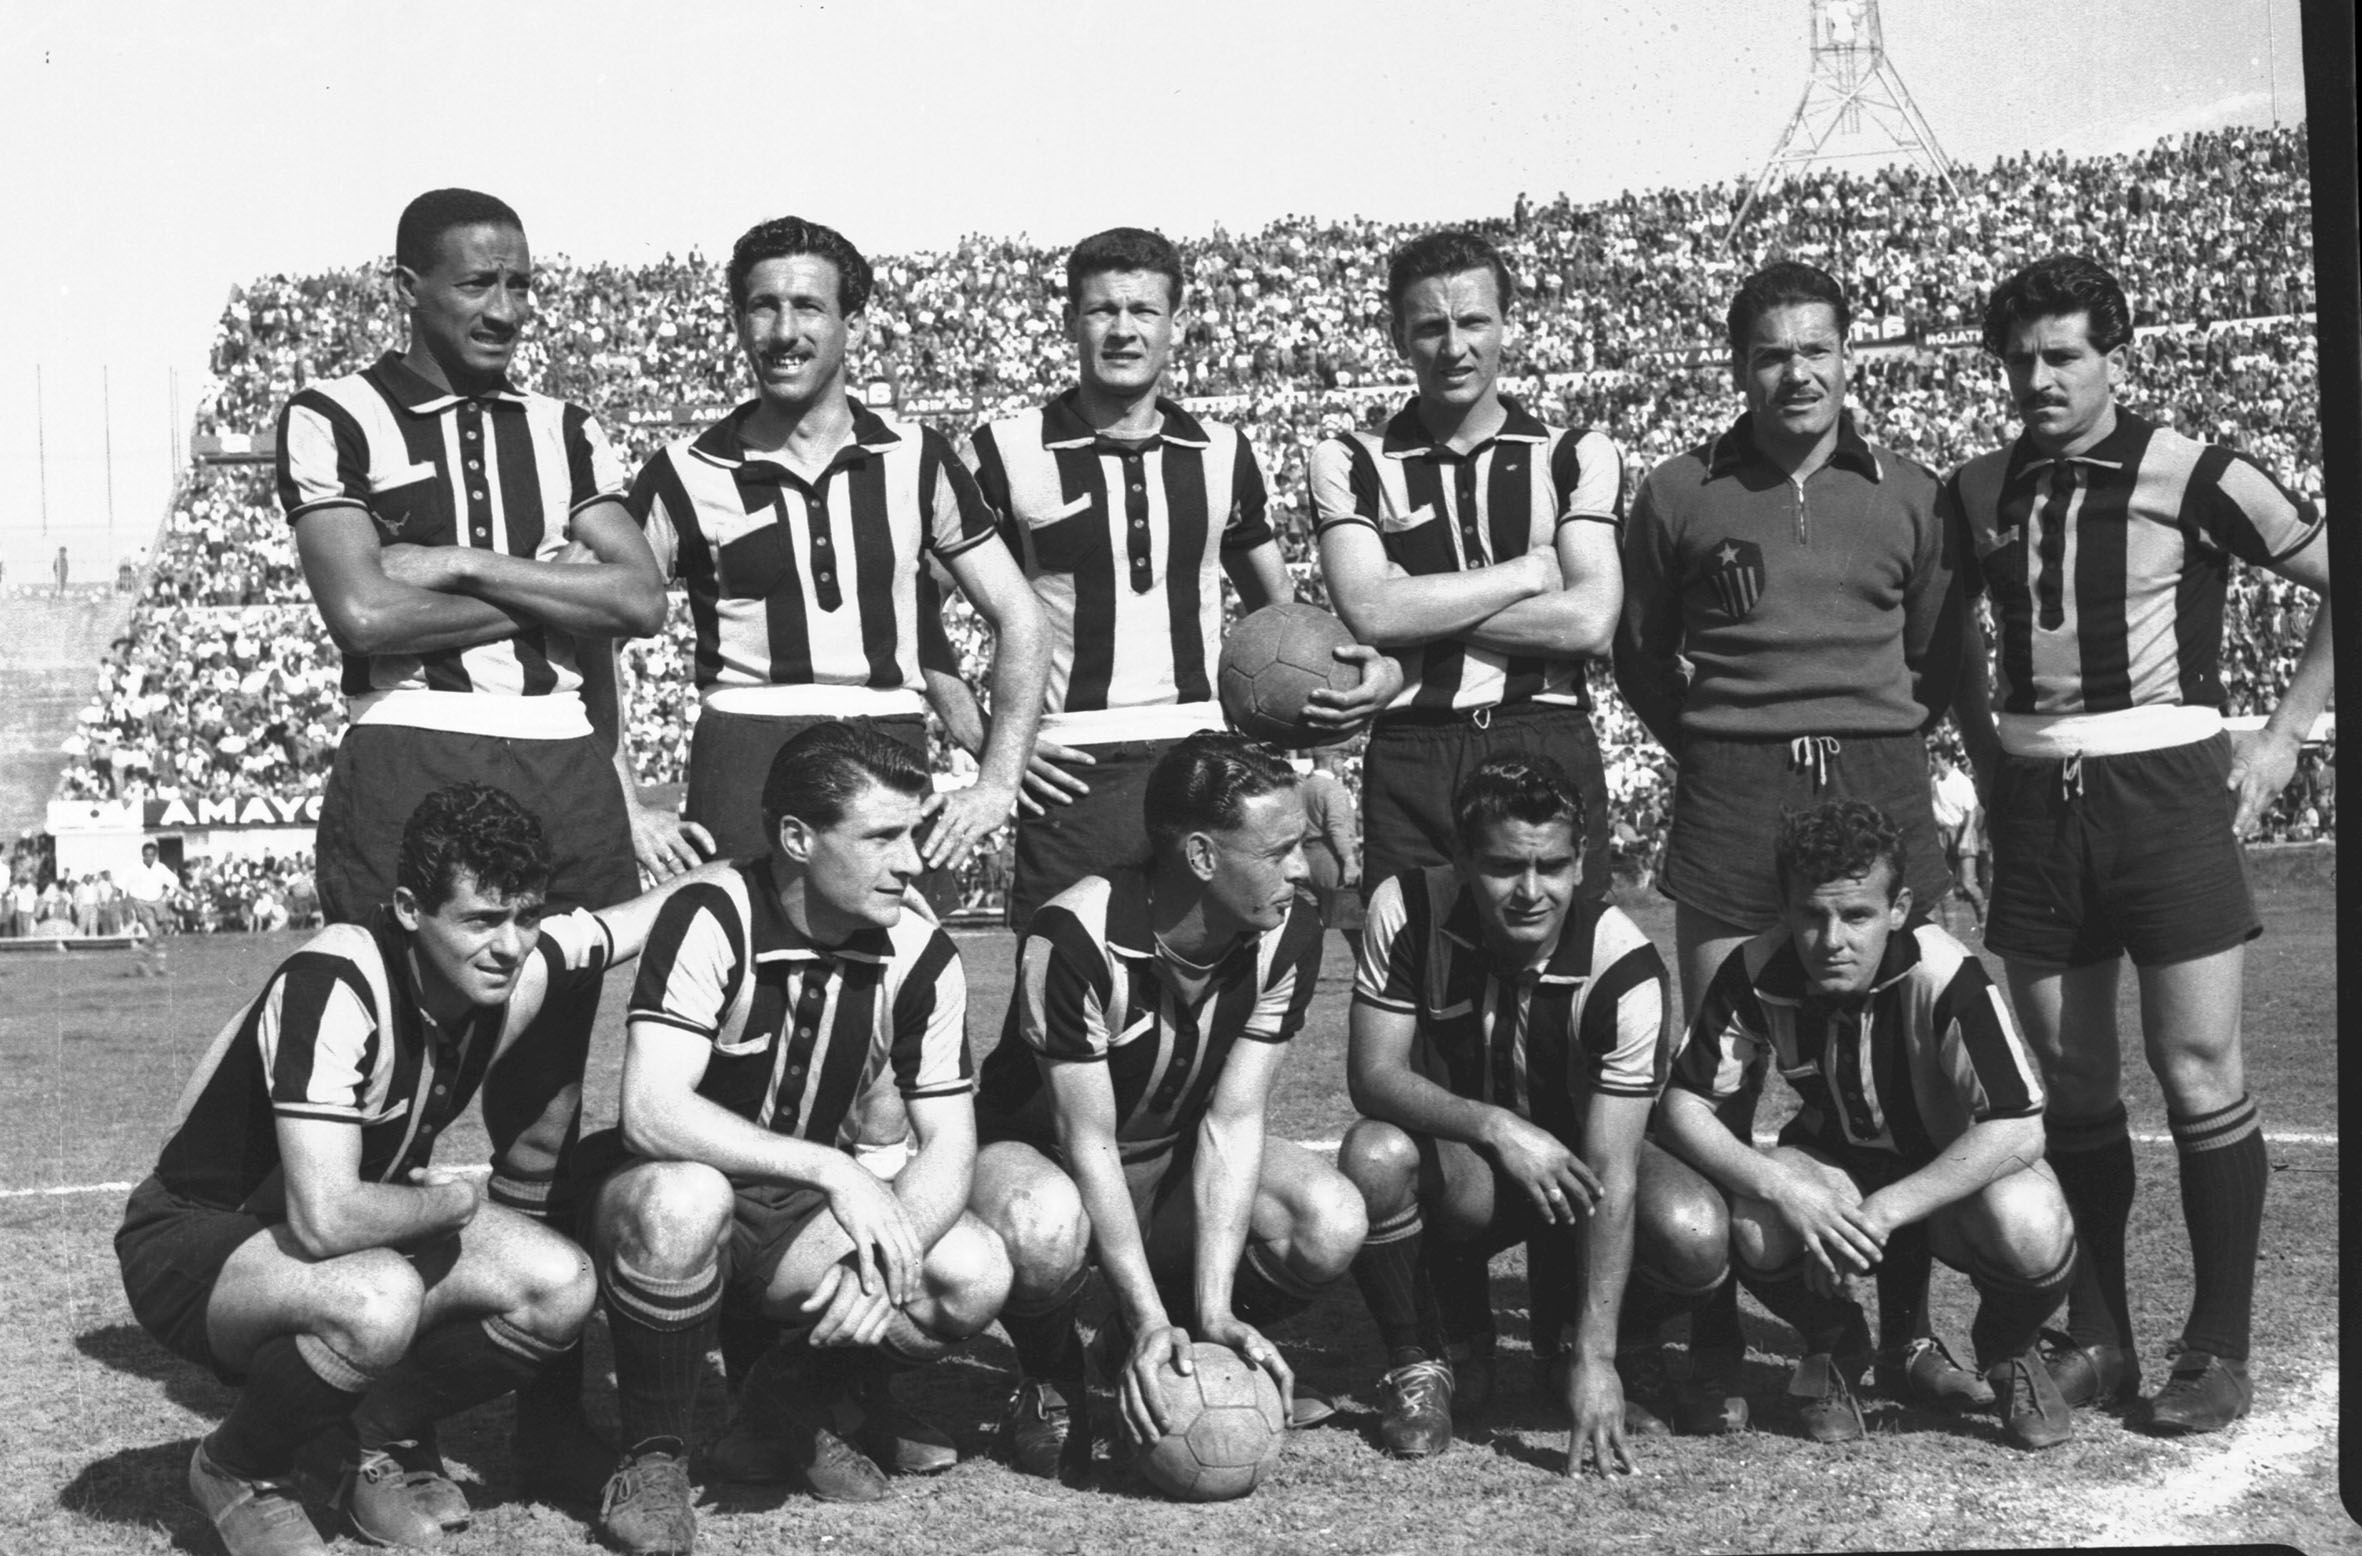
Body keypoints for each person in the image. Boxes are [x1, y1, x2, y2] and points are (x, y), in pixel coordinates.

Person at [277, 187, 671, 1483]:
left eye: (520, 285)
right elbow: (364, 618)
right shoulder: (336, 413)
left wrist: (456, 565)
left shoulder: (567, 428)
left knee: (545, 1109)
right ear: (408, 287)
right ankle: (354, 1386)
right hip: (407, 757)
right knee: (388, 1097)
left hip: (558, 765)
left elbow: (636, 596)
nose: (507, 309)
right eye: (476, 286)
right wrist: (544, 591)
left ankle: (544, 1399)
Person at [112, 784, 727, 1556]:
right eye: (481, 920)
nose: (508, 944)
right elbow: (326, 1217)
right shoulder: (333, 981)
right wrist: (454, 1206)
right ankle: (238, 1466)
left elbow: (622, 926)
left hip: (314, 1239)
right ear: (409, 908)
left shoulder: (511, 965)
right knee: (380, 1296)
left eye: (526, 916)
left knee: (559, 1286)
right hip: (194, 1246)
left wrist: (746, 872)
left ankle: (353, 1434)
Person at [1945, 254, 2332, 1433]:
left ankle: (2215, 1346)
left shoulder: (2196, 470)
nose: (2038, 378)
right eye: (2019, 359)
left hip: (2164, 788)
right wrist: (1981, 763)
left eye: (2062, 354)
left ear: (2114, 353)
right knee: (2070, 1075)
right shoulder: (1974, 488)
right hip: (2032, 796)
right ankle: (2101, 1336)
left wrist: (2278, 738)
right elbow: (1954, 638)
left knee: (2198, 1063)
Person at [1612, 260, 1965, 1425]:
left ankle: (1898, 1330)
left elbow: (1930, 654)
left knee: (1899, 1073)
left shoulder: (1912, 492)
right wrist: (1722, 745)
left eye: (1816, 348)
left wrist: (1853, 731)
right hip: (1732, 789)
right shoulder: (1677, 493)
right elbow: (1640, 653)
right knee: (1715, 1066)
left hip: (1877, 777)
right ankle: (1716, 1335)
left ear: (1846, 355)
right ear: (1738, 366)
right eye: (1771, 353)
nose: (1795, 372)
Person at [583, 723, 1010, 1554]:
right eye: (883, 836)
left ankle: (788, 1399)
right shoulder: (712, 913)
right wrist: (832, 1170)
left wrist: (889, 1263)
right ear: (797, 839)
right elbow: (651, 1111)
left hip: (795, 1222)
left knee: (970, 1270)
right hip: (665, 1199)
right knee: (685, 1194)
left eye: (914, 832)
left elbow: (952, 1145)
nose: (913, 861)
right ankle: (655, 1456)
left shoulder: (921, 955)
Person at [963, 226, 1396, 933]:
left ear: (1177, 326)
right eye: (1103, 310)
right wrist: (993, 740)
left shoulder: (1222, 452)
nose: (1124, 330)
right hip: (1071, 764)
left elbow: (1282, 616)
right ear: (1072, 321)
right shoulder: (1006, 449)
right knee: (1068, 986)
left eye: (1144, 312)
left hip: (1203, 754)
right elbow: (913, 608)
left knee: (1210, 989)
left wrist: (1333, 727)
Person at [968, 732, 1367, 1483]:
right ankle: (1052, 1380)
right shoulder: (1073, 935)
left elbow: (1233, 1119)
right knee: (1041, 1224)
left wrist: (1212, 1311)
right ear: (1202, 857)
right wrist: (1151, 1308)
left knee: (1329, 1217)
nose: (1299, 869)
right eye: (1278, 850)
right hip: (1040, 1161)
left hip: (1170, 1157)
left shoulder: (1289, 932)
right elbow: (1084, 1142)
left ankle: (1149, 1341)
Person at [615, 214, 1048, 879]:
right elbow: (593, 636)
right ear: (738, 322)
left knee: (895, 972)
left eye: (808, 307)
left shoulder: (917, 458)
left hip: (886, 746)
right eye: (764, 308)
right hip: (743, 752)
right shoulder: (683, 470)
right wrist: (629, 806)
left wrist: (996, 786)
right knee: (747, 967)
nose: (784, 333)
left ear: (856, 326)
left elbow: (1022, 617)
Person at [1338, 755, 1728, 1473]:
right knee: (1374, 1153)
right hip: (1468, 1170)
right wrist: (1498, 1127)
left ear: (1580, 864)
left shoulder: (1626, 967)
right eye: (1504, 867)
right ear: (1460, 859)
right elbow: (1374, 1075)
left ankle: (1599, 1341)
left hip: (1577, 1177)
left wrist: (1597, 1357)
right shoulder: (1409, 906)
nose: (1529, 891)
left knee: (1696, 1232)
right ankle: (1426, 1358)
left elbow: (1610, 1167)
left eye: (1551, 866)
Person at [1656, 800, 2077, 1450]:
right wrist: (1785, 1190)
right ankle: (1837, 1343)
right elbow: (1684, 1107)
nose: (1832, 941)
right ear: (1784, 906)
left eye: (1857, 915)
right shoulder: (1756, 967)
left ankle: (2007, 1345)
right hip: (1834, 1167)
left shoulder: (1944, 970)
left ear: (1899, 908)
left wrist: (1886, 1211)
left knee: (2032, 1222)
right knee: (1753, 1221)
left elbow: (2021, 1126)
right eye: (1812, 915)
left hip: (1946, 1181)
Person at [1311, 229, 1623, 907]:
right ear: (1398, 337)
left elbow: (1592, 625)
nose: (1454, 348)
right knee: (1412, 977)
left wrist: (1413, 604)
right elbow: (1369, 613)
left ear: (1507, 325)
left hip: (1543, 731)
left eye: (1473, 321)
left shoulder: (1576, 453)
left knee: (1558, 975)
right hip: (1412, 749)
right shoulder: (1349, 459)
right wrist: (1528, 573)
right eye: (1430, 327)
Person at [1296, 747, 1361, 929]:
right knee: (1352, 926)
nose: (1343, 766)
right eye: (1342, 761)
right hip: (1331, 860)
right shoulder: (1333, 788)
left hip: (1305, 858)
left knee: (1307, 927)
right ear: (1333, 761)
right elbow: (1337, 827)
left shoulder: (1302, 786)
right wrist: (1349, 860)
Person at [1928, 751, 1988, 927]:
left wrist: (1965, 838)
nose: (1933, 763)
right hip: (1944, 833)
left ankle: (1983, 921)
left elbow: (1971, 812)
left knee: (1968, 883)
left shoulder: (1962, 781)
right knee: (1946, 884)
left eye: (1936, 759)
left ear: (1946, 760)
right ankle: (1950, 931)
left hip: (1964, 831)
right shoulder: (1935, 781)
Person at [122, 841, 185, 975]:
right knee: (153, 933)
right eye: (146, 855)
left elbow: (174, 884)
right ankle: (141, 963)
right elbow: (122, 884)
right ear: (142, 855)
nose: (148, 858)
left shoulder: (160, 868)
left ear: (155, 856)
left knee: (160, 937)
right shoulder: (135, 868)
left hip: (157, 904)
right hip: (142, 904)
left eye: (151, 855)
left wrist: (189, 896)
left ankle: (161, 968)